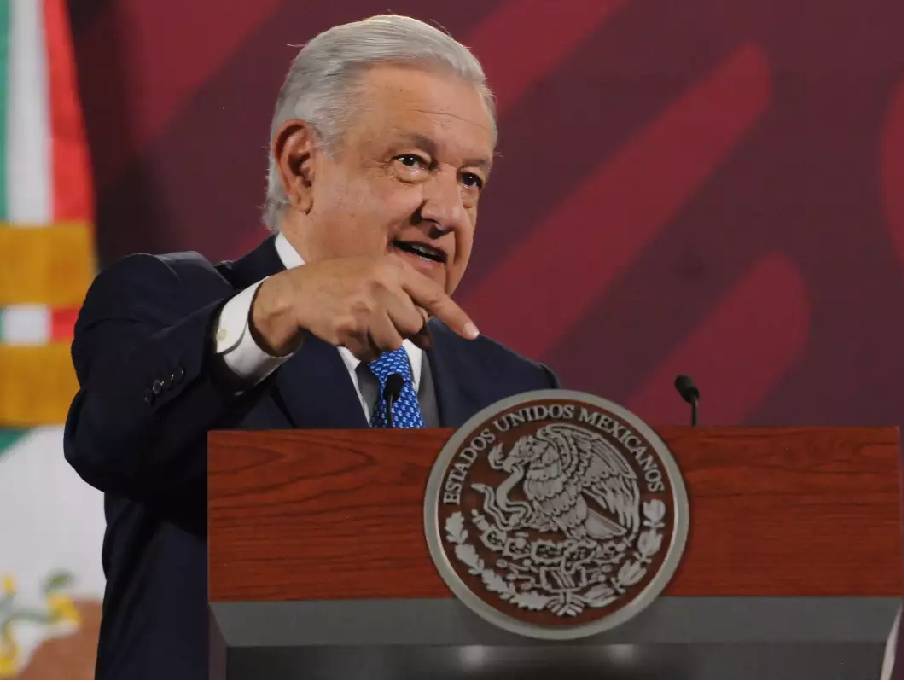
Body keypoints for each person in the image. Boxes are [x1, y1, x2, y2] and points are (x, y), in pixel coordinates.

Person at [64, 15, 557, 679]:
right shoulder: (171, 303)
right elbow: (108, 437)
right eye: (412, 163)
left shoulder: (515, 392)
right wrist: (277, 308)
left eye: (470, 179)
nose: (447, 212)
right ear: (301, 166)